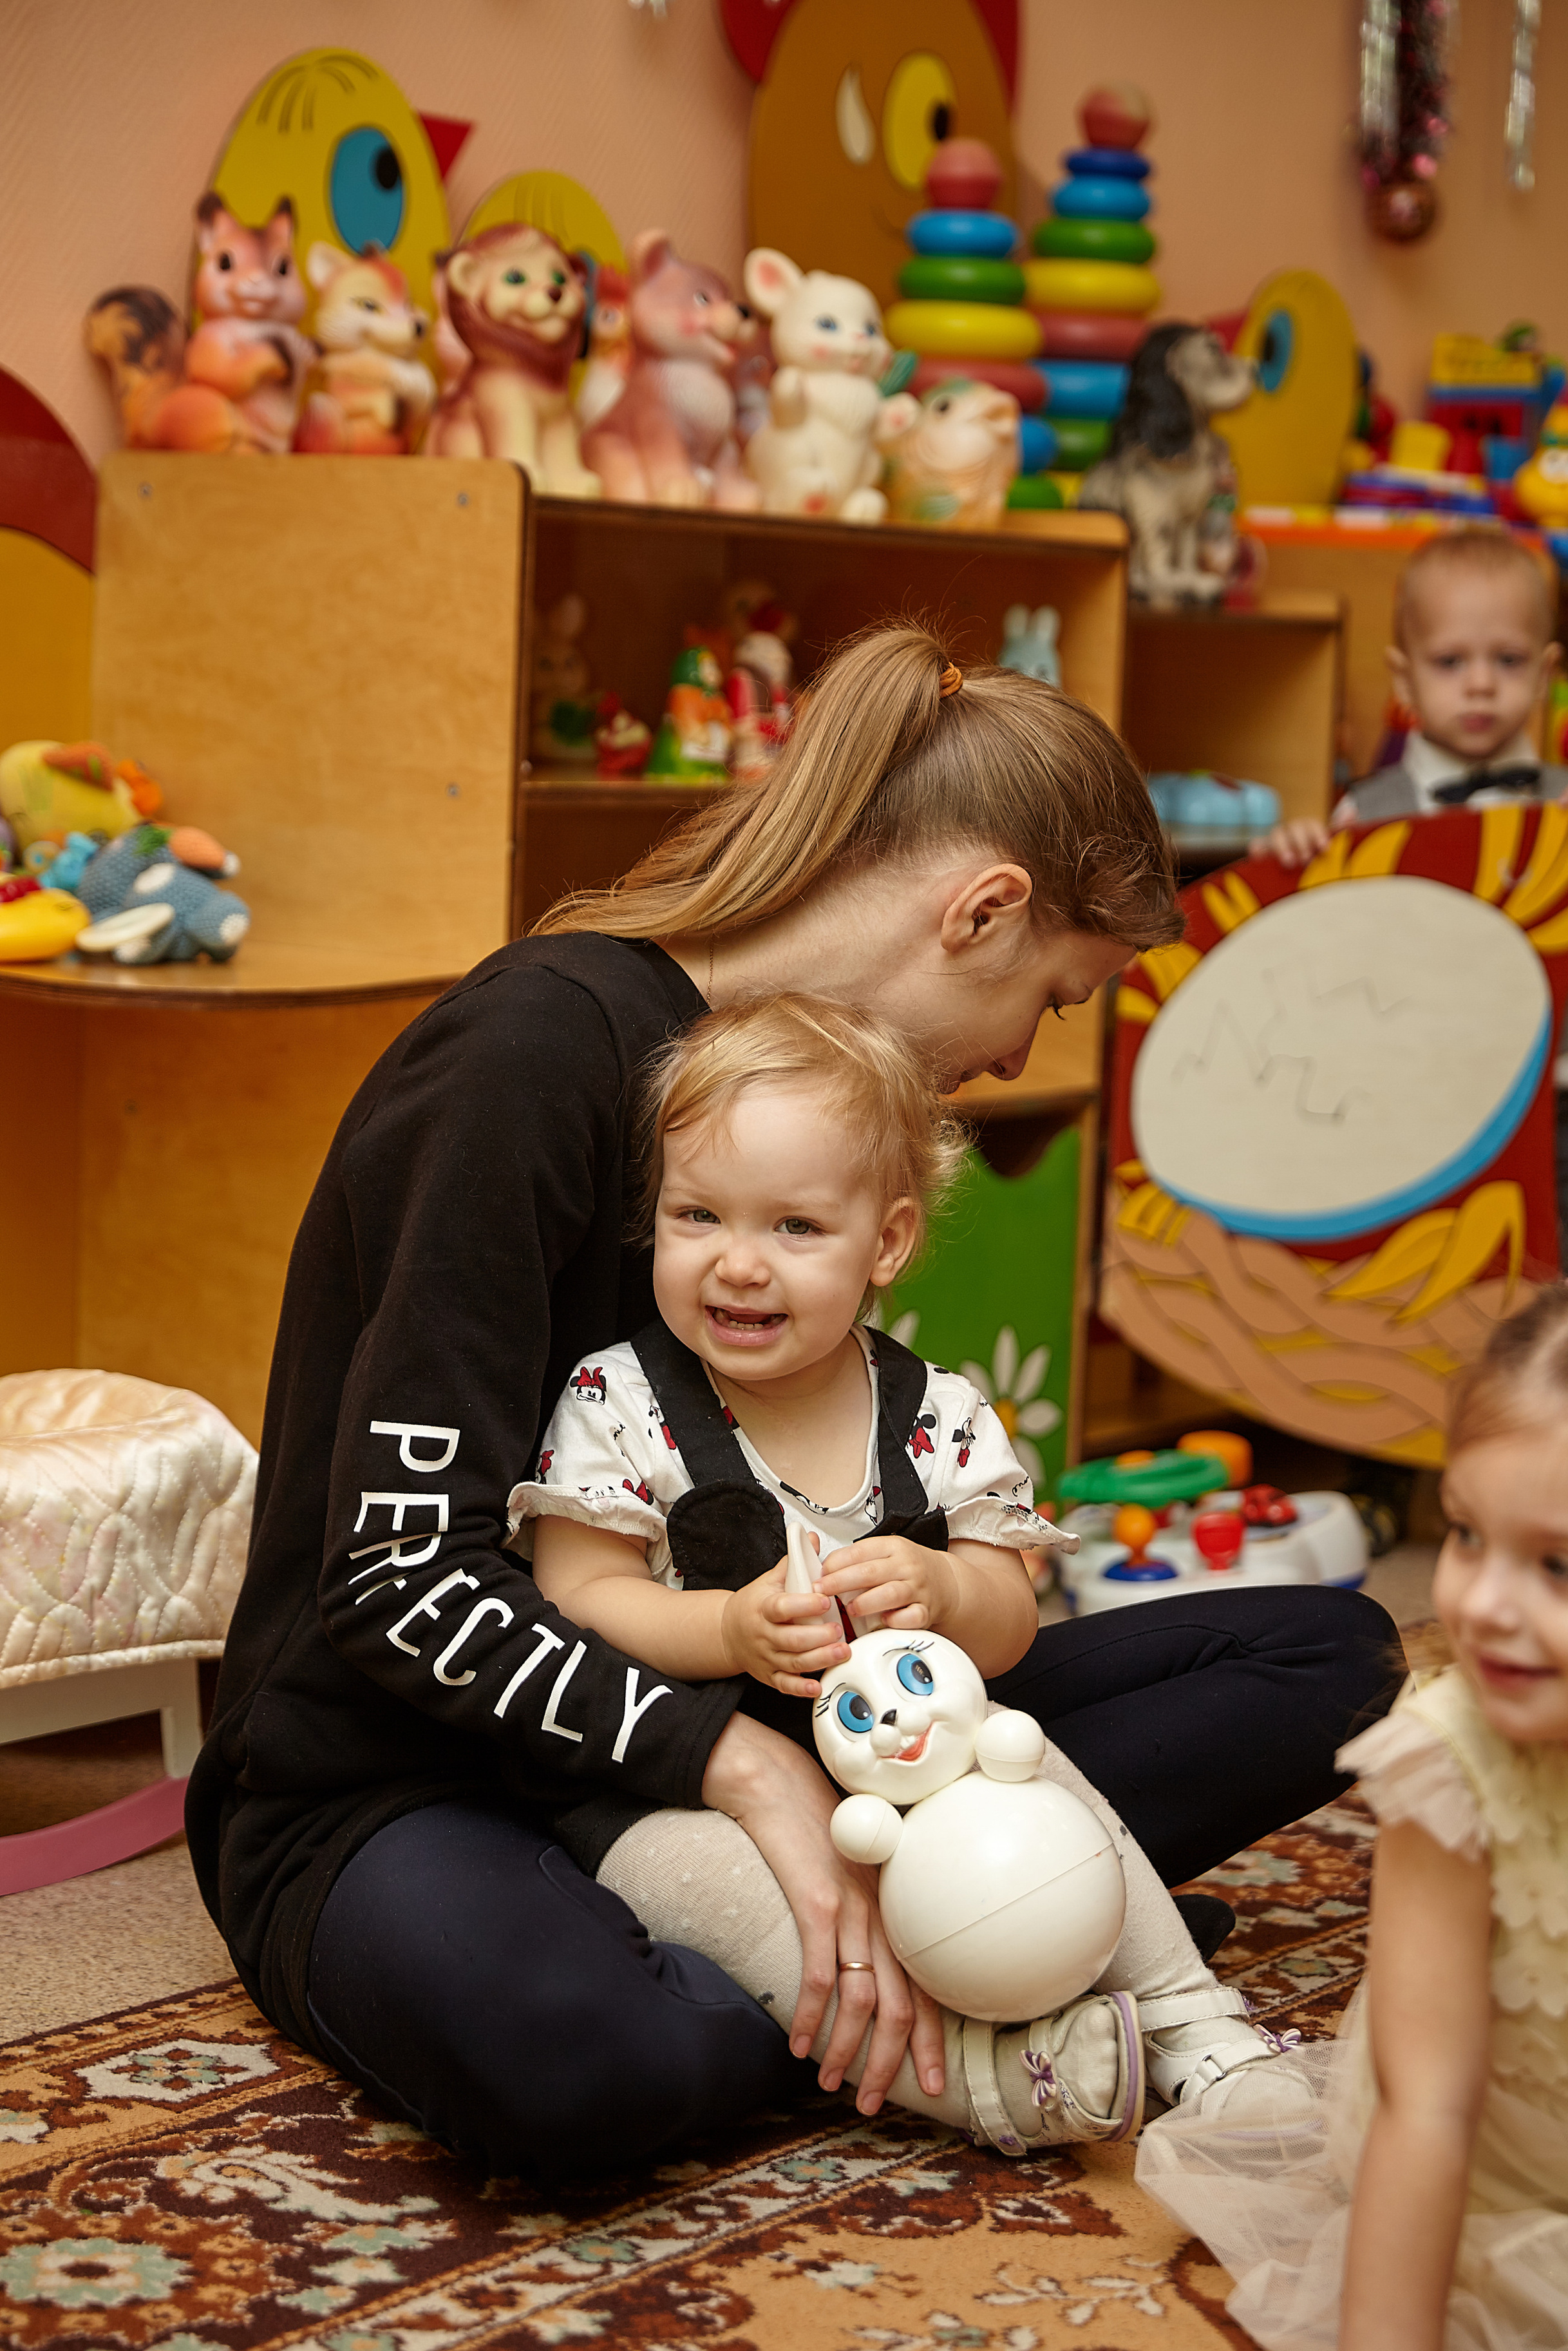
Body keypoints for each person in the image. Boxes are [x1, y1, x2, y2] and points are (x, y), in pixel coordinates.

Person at [187, 622, 1399, 2184]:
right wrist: (729, 1760)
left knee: (1329, 1650)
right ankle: (971, 1967)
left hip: (798, 1720)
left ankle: (934, 1930)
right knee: (596, 2071)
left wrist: (930, 1604)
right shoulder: (527, 1060)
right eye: (1050, 994)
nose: (1017, 1052)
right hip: (420, 1768)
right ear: (981, 909)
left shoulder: (829, 1132)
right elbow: (396, 1582)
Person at [519, 991, 1287, 2153]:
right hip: (673, 1773)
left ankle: (1195, 2024)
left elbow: (1011, 1615)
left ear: (884, 1242)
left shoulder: (936, 1411)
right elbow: (578, 1599)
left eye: (794, 1229)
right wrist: (728, 1629)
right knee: (733, 1908)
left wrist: (943, 1595)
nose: (738, 1265)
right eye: (698, 1216)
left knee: (1044, 1784)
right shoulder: (617, 1400)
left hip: (918, 1759)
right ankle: (993, 2082)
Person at [1137, 1271, 1568, 2351]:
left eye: (1562, 1567)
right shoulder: (1452, 1774)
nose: (1481, 1604)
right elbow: (1429, 2105)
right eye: (1467, 1536)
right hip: (1500, 2177)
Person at [1249, 527, 1568, 1273]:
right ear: (1403, 682)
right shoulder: (1367, 812)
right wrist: (1297, 865)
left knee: (1540, 1270)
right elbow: (1316, 964)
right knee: (1409, 1271)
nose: (1478, 683)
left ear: (1545, 673)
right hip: (1404, 1091)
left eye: (1506, 660)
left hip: (1543, 1090)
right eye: (1449, 661)